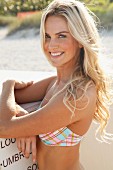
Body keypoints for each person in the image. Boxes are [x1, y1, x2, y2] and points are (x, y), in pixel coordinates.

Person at [0, 0, 112, 169]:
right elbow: (13, 100)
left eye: (62, 35)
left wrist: (8, 84)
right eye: (47, 36)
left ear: (80, 40)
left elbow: (4, 127)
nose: (51, 45)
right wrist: (22, 116)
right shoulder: (56, 82)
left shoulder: (78, 95)